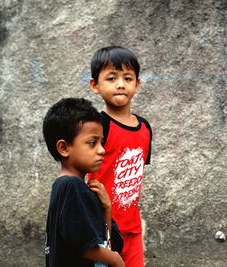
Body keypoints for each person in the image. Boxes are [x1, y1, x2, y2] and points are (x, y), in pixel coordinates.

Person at [88, 46, 152, 267]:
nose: (121, 84)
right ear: (95, 85)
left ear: (137, 85)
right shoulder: (96, 127)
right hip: (100, 227)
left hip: (132, 229)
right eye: (112, 78)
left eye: (128, 78)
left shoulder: (144, 129)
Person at [43, 97, 124, 267]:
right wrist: (115, 260)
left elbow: (105, 243)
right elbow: (85, 247)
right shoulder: (72, 187)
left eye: (102, 142)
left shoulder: (72, 187)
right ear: (64, 148)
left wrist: (107, 208)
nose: (102, 150)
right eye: (92, 143)